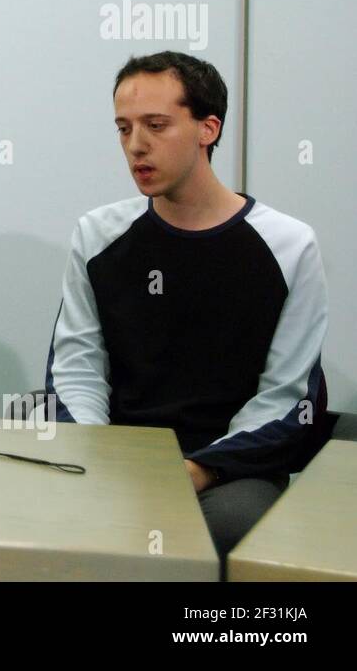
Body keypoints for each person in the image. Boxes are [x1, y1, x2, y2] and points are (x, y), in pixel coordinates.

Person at [46, 51, 327, 560]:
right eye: (123, 128)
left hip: (229, 472)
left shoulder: (289, 245)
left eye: (156, 125)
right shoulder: (97, 235)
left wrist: (197, 470)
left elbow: (287, 397)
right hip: (118, 461)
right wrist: (97, 458)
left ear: (208, 129)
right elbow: (76, 369)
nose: (136, 145)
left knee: (218, 534)